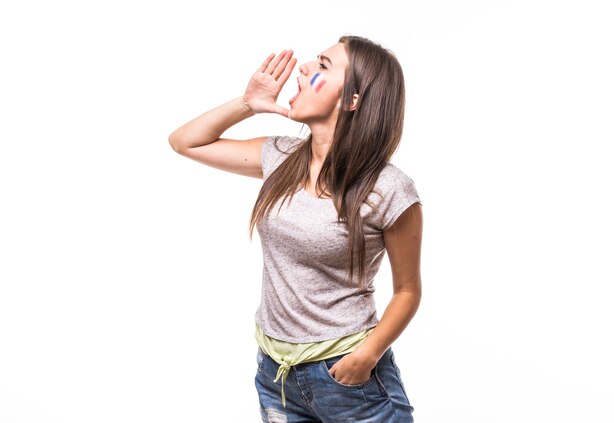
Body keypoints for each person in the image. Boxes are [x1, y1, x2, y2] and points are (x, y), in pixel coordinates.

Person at [169, 35, 423, 423]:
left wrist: (365, 357)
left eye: (323, 66)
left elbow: (408, 290)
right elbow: (185, 142)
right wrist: (248, 104)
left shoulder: (389, 189)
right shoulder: (280, 157)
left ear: (353, 99)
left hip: (349, 377)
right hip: (276, 376)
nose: (304, 67)